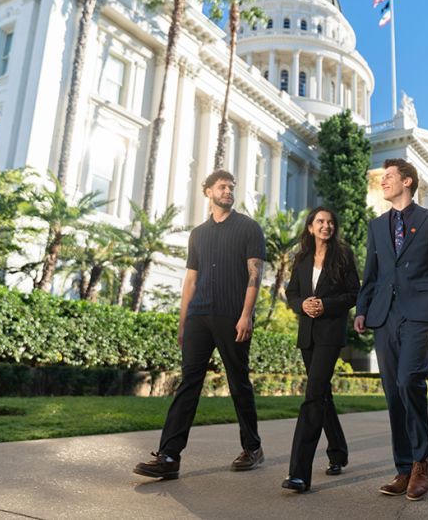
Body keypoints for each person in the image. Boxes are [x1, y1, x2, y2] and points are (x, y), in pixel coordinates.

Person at [134, 170, 266, 480]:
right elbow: (190, 280)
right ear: (208, 192)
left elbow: (255, 275)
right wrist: (183, 321)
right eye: (222, 186)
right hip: (198, 317)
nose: (228, 191)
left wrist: (246, 314)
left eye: (231, 187)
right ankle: (169, 456)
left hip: (232, 316)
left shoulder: (249, 228)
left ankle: (252, 447)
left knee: (238, 383)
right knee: (189, 383)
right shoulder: (198, 234)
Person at [354, 158, 428, 502]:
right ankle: (403, 467)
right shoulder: (376, 225)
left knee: (408, 381)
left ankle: (422, 459)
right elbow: (371, 274)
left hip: (419, 312)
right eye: (382, 178)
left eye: (389, 177)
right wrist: (362, 309)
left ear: (408, 181)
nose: (383, 182)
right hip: (384, 315)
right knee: (392, 392)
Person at [281, 206, 361, 493]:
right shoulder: (301, 258)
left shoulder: (343, 255)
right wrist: (301, 304)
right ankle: (338, 451)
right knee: (322, 394)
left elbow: (354, 293)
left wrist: (326, 305)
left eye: (330, 221)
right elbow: (291, 293)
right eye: (320, 221)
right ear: (311, 227)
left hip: (329, 334)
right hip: (307, 335)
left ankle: (299, 473)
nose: (326, 226)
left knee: (313, 396)